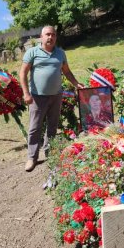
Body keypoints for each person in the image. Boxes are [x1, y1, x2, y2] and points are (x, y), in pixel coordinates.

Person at [20, 25, 83, 172]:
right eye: (47, 34)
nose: (50, 37)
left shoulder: (60, 53)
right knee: (35, 128)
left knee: (52, 126)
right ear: (41, 37)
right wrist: (26, 94)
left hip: (56, 95)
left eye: (53, 35)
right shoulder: (32, 52)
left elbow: (67, 72)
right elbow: (22, 73)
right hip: (37, 97)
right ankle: (32, 157)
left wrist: (76, 83)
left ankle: (51, 154)